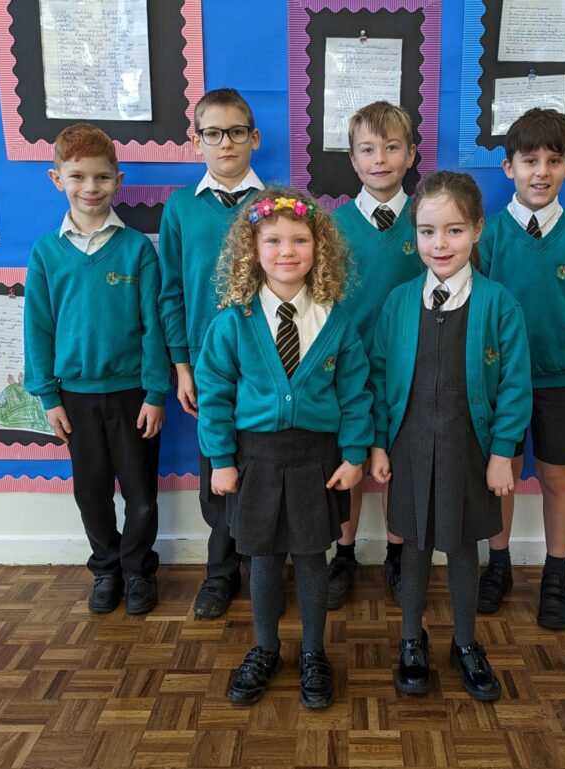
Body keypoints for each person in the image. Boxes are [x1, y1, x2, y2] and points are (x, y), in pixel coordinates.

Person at [196, 187, 373, 708]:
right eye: (272, 240)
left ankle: (314, 652)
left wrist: (355, 453)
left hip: (317, 458)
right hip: (255, 459)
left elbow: (356, 391)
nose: (287, 251)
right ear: (252, 250)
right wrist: (222, 461)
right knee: (263, 559)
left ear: (319, 248)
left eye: (299, 239)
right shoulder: (234, 320)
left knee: (312, 557)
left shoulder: (335, 320)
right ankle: (266, 648)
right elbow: (215, 393)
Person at [369, 171, 531, 701]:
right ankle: (410, 641)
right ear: (413, 236)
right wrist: (376, 443)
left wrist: (503, 452)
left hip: (470, 448)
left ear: (478, 230)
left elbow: (513, 385)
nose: (441, 244)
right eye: (428, 232)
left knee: (463, 547)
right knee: (413, 547)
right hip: (410, 445)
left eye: (455, 231)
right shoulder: (397, 303)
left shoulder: (498, 303)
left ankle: (465, 643)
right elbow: (376, 374)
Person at [477, 108, 565, 626]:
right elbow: (476, 313)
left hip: (563, 382)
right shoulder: (488, 236)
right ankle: (498, 564)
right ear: (507, 166)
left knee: (558, 477)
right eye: (529, 160)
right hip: (501, 382)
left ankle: (556, 574)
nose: (541, 171)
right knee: (502, 477)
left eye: (553, 161)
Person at [24, 123, 169, 615]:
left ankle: (138, 570)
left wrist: (155, 393)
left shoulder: (136, 250)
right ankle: (106, 568)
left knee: (140, 493)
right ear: (56, 178)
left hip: (132, 394)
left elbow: (154, 327)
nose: (90, 188)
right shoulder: (47, 253)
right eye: (78, 177)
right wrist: (47, 397)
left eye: (102, 177)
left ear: (118, 179)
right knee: (91, 493)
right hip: (76, 398)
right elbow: (37, 328)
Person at [159, 88, 264, 619]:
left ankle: (264, 568)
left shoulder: (275, 205)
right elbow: (171, 290)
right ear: (196, 140)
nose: (226, 143)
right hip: (206, 364)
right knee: (217, 472)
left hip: (269, 361)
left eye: (237, 132)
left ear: (254, 138)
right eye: (214, 133)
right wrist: (181, 365)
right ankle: (220, 572)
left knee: (266, 466)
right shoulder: (181, 207)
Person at [327, 101, 424, 609]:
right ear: (353, 158)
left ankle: (397, 553)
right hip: (347, 371)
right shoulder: (332, 226)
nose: (380, 159)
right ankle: (343, 554)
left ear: (410, 154)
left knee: (399, 467)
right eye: (368, 149)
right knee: (351, 463)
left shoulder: (428, 220)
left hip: (410, 371)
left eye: (391, 147)